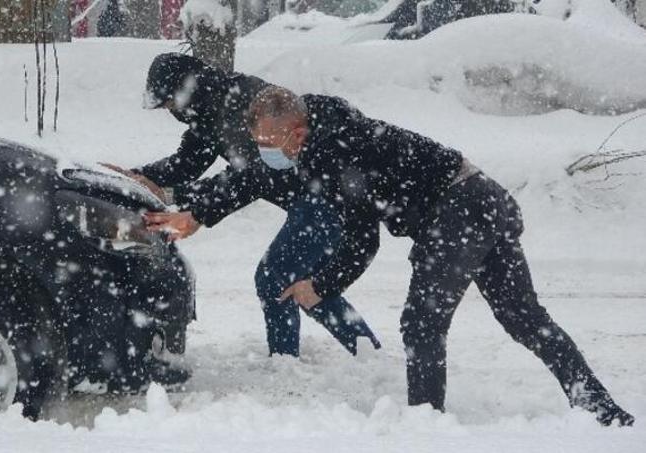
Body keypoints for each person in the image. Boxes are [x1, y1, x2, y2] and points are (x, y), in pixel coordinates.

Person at [236, 85, 634, 427]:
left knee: (422, 324)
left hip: (456, 213)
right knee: (524, 318)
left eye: (269, 144)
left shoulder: (338, 153)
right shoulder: (334, 132)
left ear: (298, 131)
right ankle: (601, 409)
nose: (266, 152)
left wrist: (319, 286)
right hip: (485, 197)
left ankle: (425, 428)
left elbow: (361, 243)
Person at [104, 53, 380, 357]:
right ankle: (366, 350)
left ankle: (285, 360)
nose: (172, 112)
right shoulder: (207, 111)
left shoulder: (241, 104)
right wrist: (141, 177)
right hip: (310, 196)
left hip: (323, 194)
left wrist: (195, 210)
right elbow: (187, 162)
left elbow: (250, 176)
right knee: (303, 284)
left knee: (275, 277)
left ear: (186, 91)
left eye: (171, 103)